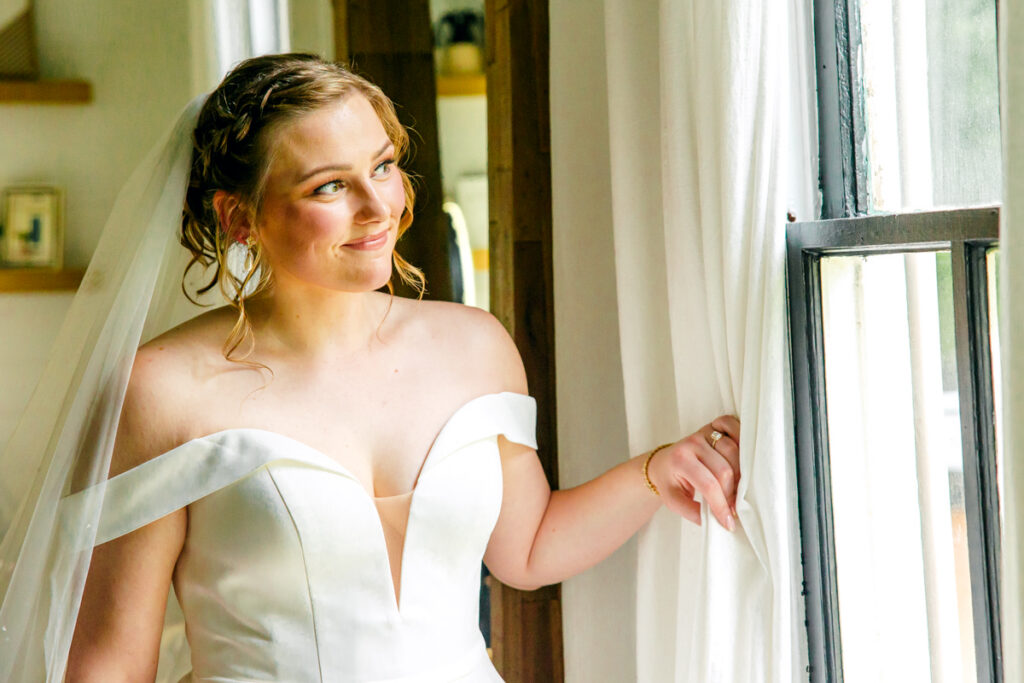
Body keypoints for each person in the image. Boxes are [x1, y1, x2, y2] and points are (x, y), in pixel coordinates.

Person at [15, 54, 740, 682]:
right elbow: (108, 660)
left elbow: (526, 546)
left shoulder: (475, 346)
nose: (378, 207)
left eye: (384, 166)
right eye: (330, 186)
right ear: (240, 218)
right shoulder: (163, 390)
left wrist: (656, 471)